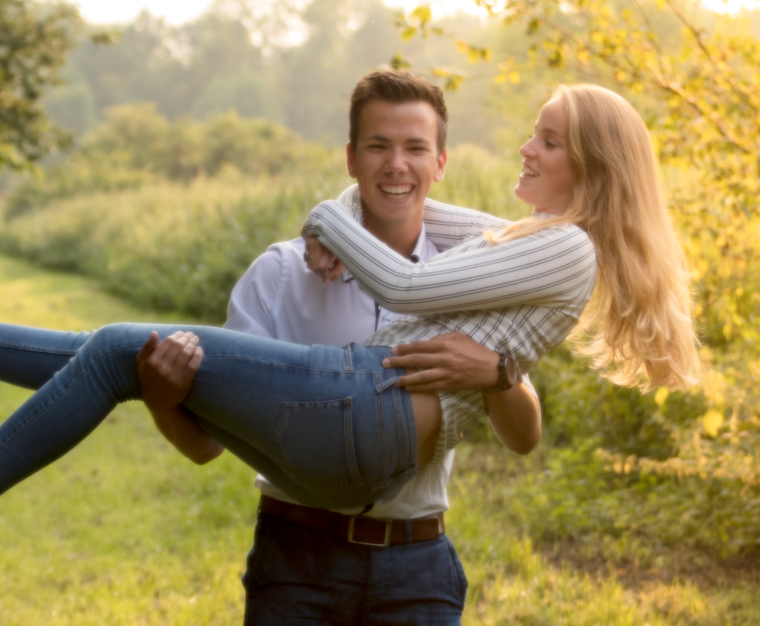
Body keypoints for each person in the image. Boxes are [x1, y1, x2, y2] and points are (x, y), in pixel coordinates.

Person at [0, 83, 699, 585]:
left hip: (368, 414)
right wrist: (338, 227)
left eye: (545, 140)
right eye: (532, 132)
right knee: (122, 356)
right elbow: (412, 210)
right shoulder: (528, 238)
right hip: (346, 447)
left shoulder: (565, 247)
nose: (524, 147)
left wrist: (325, 210)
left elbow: (402, 277)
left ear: (588, 164)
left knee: (110, 346)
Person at [141, 70, 540, 624]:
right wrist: (164, 400)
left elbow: (523, 437)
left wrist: (499, 372)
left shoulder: (472, 278)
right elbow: (205, 447)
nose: (396, 164)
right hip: (298, 562)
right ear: (351, 159)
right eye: (378, 146)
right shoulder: (280, 274)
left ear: (440, 163)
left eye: (415, 148)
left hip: (420, 568)